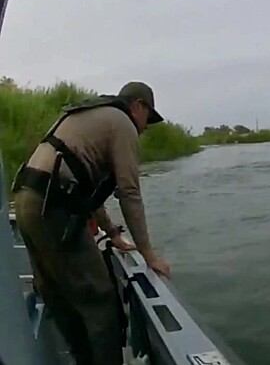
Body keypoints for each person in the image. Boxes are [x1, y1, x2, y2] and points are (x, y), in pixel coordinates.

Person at [12, 81, 171, 365]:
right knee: (101, 300)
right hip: (53, 207)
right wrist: (149, 255)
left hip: (26, 200)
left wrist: (112, 233)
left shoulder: (92, 115)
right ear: (138, 106)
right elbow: (129, 192)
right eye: (148, 118)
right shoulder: (122, 122)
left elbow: (83, 191)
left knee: (56, 293)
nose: (145, 128)